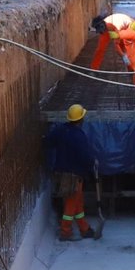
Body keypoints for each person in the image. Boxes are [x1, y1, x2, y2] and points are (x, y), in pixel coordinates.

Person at [44, 104, 98, 242]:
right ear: (81, 119)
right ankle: (65, 231)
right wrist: (93, 163)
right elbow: (85, 156)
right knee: (71, 203)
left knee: (77, 202)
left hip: (61, 173)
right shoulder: (79, 136)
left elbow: (49, 141)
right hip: (74, 175)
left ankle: (84, 229)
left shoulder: (61, 130)